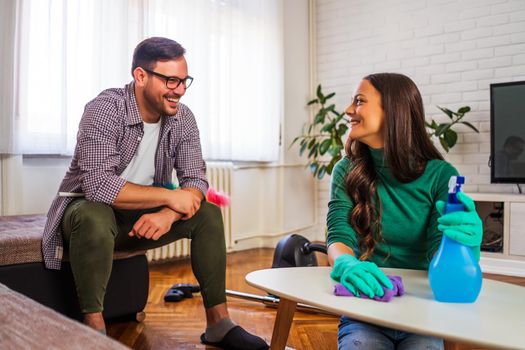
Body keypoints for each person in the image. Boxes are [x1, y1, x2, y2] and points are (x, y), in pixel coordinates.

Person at [42, 37, 268, 350]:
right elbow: (98, 186)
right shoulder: (104, 109)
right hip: (85, 213)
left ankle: (218, 322)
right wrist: (168, 197)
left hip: (139, 217)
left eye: (184, 80)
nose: (180, 90)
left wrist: (169, 212)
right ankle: (94, 329)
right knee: (94, 214)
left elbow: (196, 180)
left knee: (208, 214)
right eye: (171, 80)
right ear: (141, 76)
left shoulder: (183, 118)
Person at [326, 73, 483, 350]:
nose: (348, 110)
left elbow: (442, 254)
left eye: (359, 101)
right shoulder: (346, 170)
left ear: (393, 110)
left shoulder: (440, 175)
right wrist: (345, 263)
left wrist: (464, 247)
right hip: (367, 306)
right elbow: (339, 235)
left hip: (422, 308)